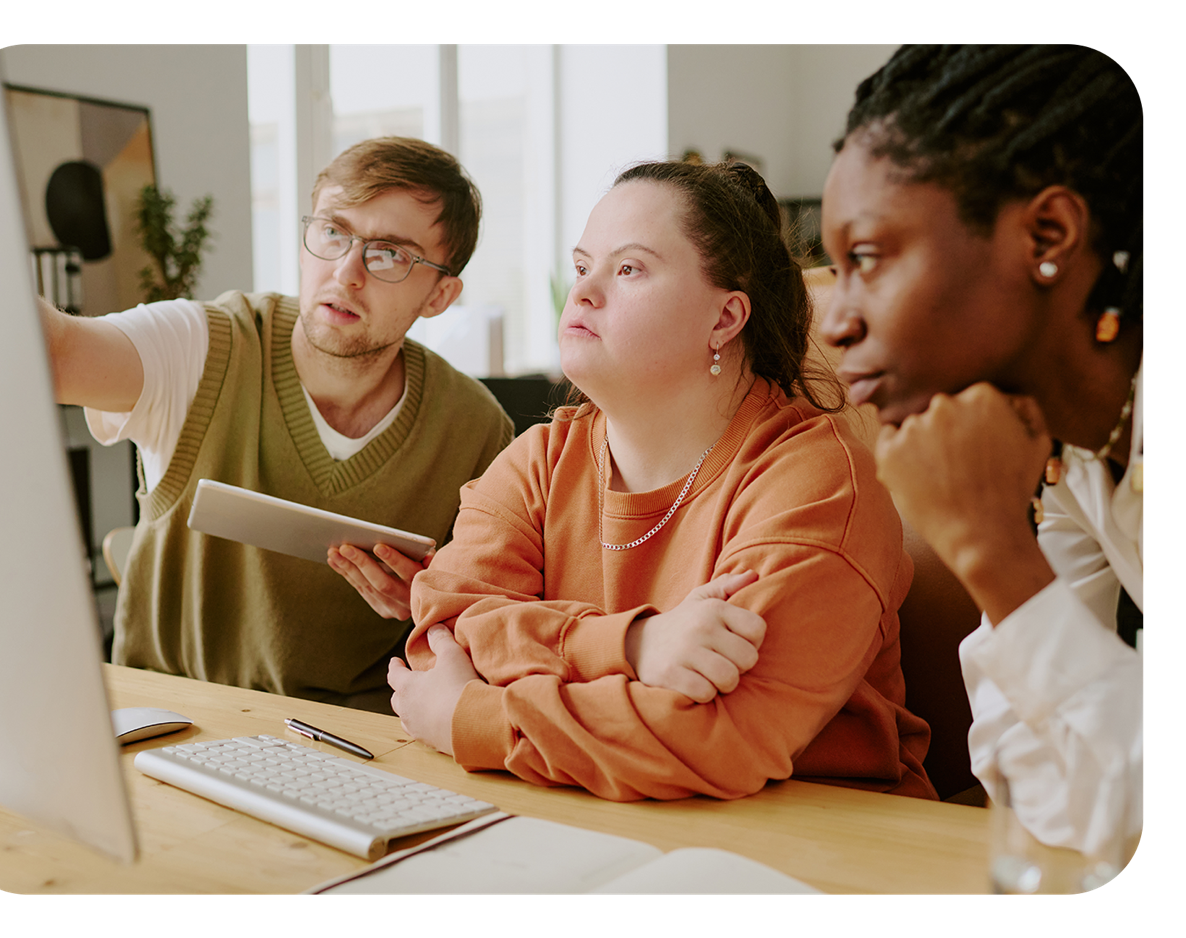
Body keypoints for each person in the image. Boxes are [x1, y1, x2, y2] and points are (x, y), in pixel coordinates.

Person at [389, 159, 936, 802]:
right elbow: (444, 638)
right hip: (587, 815)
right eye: (583, 265)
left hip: (816, 844)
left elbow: (717, 738)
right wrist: (635, 645)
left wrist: (472, 718)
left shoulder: (817, 482)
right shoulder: (537, 460)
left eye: (629, 269)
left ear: (725, 319)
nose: (584, 293)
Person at [43, 137, 514, 713]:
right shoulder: (200, 346)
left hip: (358, 742)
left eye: (389, 253)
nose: (346, 272)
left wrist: (433, 604)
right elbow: (56, 352)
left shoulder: (478, 430)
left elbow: (492, 629)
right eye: (333, 232)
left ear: (440, 294)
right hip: (173, 722)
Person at [817, 45, 1143, 858]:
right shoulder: (1072, 454)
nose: (834, 323)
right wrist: (1003, 550)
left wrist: (991, 551)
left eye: (866, 259)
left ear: (1048, 233)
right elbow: (1051, 802)